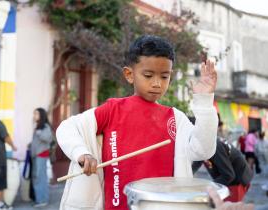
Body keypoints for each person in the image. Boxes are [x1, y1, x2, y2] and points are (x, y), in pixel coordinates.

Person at [56, 35, 219, 210]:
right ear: (129, 74)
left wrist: (204, 102)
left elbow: (203, 150)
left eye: (164, 77)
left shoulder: (175, 118)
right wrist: (82, 153)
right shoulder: (113, 110)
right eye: (148, 75)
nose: (157, 83)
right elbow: (67, 128)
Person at [192, 118, 253, 202]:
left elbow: (229, 175)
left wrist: (209, 186)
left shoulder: (215, 146)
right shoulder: (202, 145)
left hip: (237, 179)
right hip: (228, 177)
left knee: (230, 206)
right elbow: (196, 162)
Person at [30, 108, 53, 208]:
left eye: (36, 114)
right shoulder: (38, 126)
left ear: (41, 116)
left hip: (41, 155)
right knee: (37, 177)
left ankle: (42, 200)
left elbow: (48, 138)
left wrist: (39, 133)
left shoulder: (45, 126)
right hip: (36, 155)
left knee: (40, 178)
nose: (34, 116)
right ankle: (39, 199)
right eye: (34, 114)